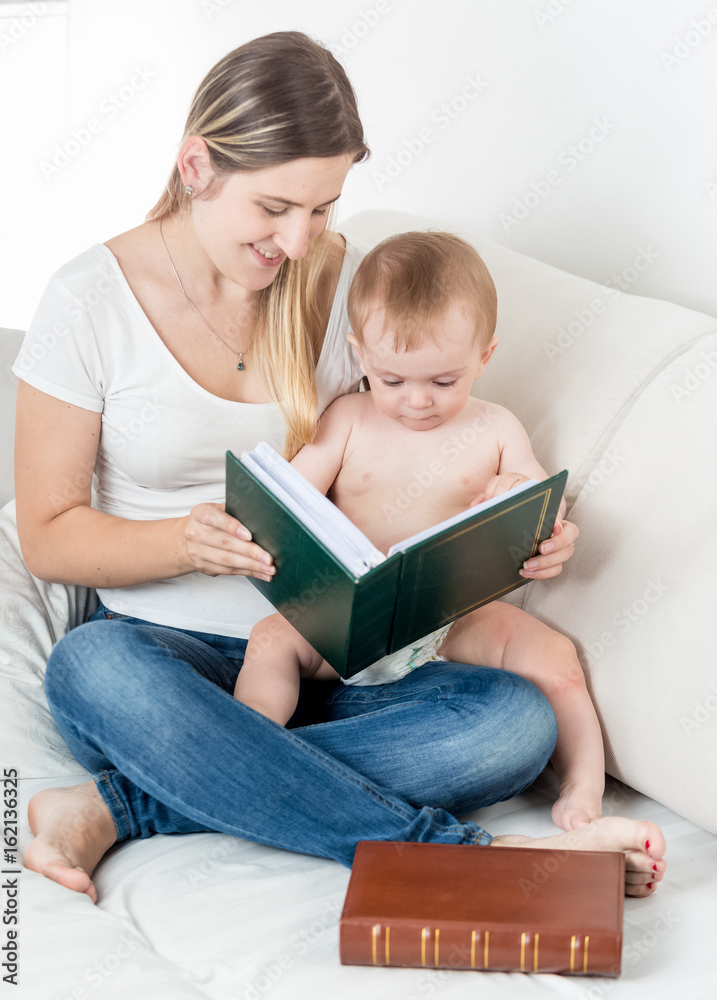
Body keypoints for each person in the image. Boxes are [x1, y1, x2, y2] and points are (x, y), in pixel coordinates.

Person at [13, 31, 665, 905]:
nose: (298, 238)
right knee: (87, 671)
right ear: (196, 165)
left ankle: (119, 803)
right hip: (164, 659)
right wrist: (188, 544)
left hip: (335, 659)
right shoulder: (88, 301)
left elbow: (413, 432)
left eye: (322, 208)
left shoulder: (336, 283)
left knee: (510, 727)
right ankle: (462, 862)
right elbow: (50, 539)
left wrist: (513, 522)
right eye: (274, 207)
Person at [234, 231, 605, 834]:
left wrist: (526, 500)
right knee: (270, 638)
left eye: (443, 382)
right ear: (359, 356)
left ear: (484, 358)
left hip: (451, 621)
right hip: (345, 621)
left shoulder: (497, 427)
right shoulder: (346, 420)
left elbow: (543, 496)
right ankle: (249, 744)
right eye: (393, 380)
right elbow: (290, 501)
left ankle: (584, 793)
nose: (417, 402)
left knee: (554, 657)